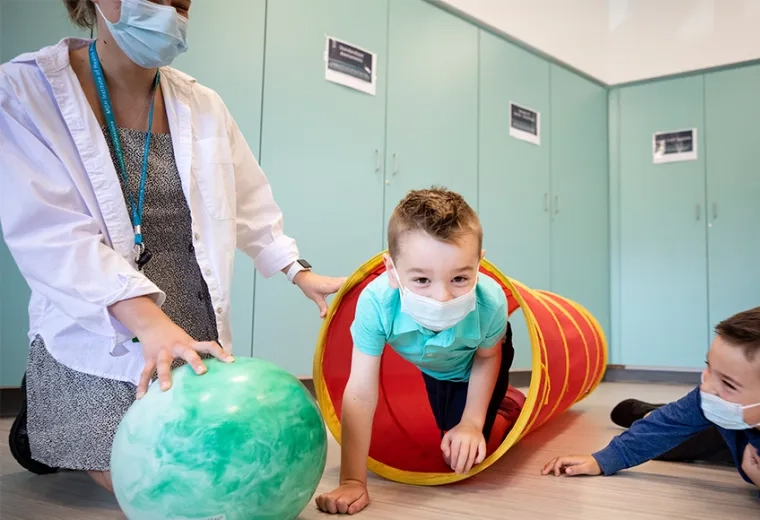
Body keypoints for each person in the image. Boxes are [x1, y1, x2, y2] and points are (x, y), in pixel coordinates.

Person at [0, 0, 345, 493]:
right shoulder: (22, 90)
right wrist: (149, 324)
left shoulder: (203, 105)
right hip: (101, 330)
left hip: (190, 328)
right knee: (158, 481)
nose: (172, 6)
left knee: (220, 459)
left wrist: (298, 270)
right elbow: (52, 237)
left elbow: (247, 200)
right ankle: (42, 420)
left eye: (179, 1)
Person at [316, 187, 518, 515]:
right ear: (392, 271)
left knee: (474, 447)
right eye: (422, 280)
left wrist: (471, 422)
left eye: (460, 278)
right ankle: (475, 410)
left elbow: (487, 357)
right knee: (447, 438)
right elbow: (361, 391)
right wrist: (353, 478)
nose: (442, 298)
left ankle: (506, 406)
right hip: (435, 366)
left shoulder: (490, 301)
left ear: (479, 268)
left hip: (481, 358)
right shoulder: (376, 303)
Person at [541, 306, 760, 494]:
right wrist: (603, 459)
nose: (706, 386)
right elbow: (668, 425)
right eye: (709, 368)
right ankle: (649, 412)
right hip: (729, 427)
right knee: (671, 442)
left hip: (734, 430)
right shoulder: (711, 395)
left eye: (729, 384)